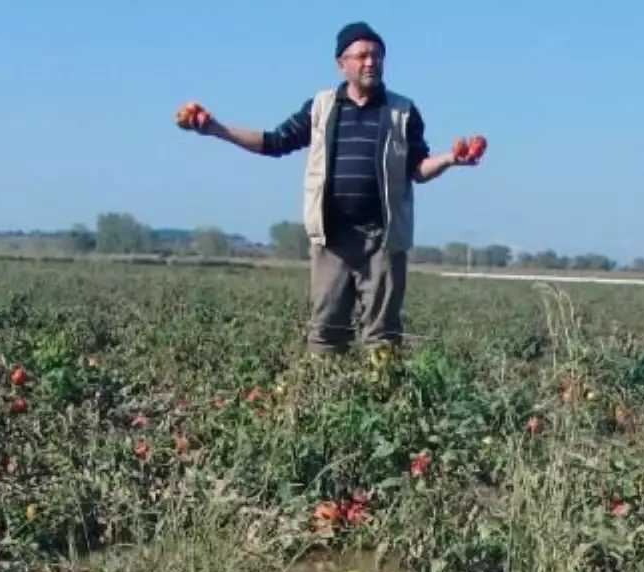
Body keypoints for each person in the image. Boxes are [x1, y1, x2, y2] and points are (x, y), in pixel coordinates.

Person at [176, 21, 479, 353]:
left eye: (377, 56)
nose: (370, 62)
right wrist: (215, 129)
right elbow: (274, 142)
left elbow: (418, 169)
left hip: (382, 239)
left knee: (383, 338)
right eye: (362, 56)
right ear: (341, 64)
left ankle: (381, 387)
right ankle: (323, 385)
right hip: (331, 239)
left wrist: (451, 159)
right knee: (325, 333)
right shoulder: (321, 107)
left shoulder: (402, 112)